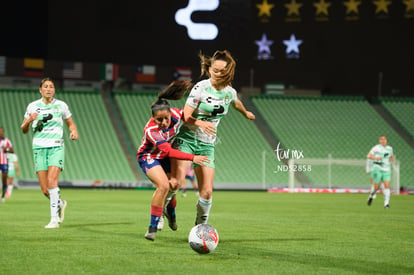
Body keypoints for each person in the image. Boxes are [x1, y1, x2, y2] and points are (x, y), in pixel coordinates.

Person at [170, 50, 256, 225]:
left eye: (222, 71)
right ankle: (165, 210)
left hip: (206, 146)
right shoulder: (200, 88)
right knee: (176, 183)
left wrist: (245, 112)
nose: (217, 74)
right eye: (214, 70)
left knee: (207, 192)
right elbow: (186, 116)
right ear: (209, 68)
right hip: (186, 140)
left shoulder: (229, 92)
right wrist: (202, 124)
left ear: (228, 72)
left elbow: (236, 102)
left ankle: (200, 227)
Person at [137, 81, 210, 241]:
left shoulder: (177, 114)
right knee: (163, 186)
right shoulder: (152, 130)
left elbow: (189, 116)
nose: (163, 123)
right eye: (159, 120)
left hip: (166, 157)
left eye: (166, 118)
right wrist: (193, 157)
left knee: (175, 185)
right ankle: (152, 228)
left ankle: (172, 215)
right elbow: (169, 150)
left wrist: (201, 122)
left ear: (171, 114)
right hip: (150, 156)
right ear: (153, 118)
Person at [21, 77, 78, 228]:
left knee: (52, 182)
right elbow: (24, 130)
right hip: (39, 148)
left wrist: (73, 132)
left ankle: (54, 220)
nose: (48, 89)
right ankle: (60, 203)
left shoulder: (61, 106)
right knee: (45, 189)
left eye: (51, 87)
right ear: (40, 90)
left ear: (54, 90)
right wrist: (28, 121)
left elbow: (71, 124)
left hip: (56, 147)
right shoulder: (32, 106)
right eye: (45, 87)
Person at [367, 135, 394, 208]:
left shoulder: (390, 148)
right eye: (381, 139)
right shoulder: (376, 148)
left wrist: (392, 159)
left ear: (386, 140)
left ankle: (386, 204)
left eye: (384, 139)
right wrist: (375, 158)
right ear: (379, 141)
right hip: (378, 168)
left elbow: (391, 156)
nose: (383, 141)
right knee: (376, 187)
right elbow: (369, 156)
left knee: (387, 186)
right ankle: (371, 196)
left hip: (387, 169)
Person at [0, 127, 14, 203]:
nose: (0, 133)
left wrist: (7, 150)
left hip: (4, 162)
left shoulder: (6, 141)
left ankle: (3, 196)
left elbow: (12, 150)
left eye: (2, 131)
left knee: (4, 180)